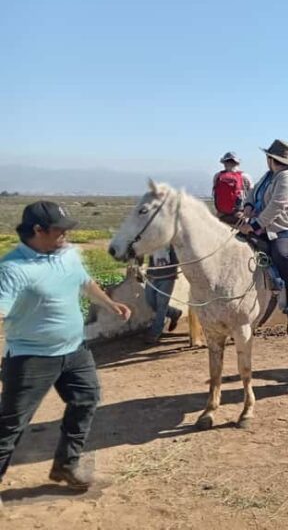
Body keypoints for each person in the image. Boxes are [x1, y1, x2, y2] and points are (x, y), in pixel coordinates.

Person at [0, 201, 131, 494]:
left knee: (86, 399)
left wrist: (110, 303)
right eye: (60, 231)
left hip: (74, 350)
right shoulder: (12, 268)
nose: (66, 236)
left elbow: (84, 282)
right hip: (30, 358)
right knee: (10, 425)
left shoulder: (68, 254)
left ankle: (66, 464)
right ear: (38, 230)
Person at [239, 140, 288, 317]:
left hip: (284, 229)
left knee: (281, 252)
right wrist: (248, 204)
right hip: (262, 226)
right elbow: (253, 191)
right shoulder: (269, 175)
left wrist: (253, 225)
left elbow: (277, 206)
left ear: (271, 158)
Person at [143, 246, 182, 345]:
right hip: (152, 275)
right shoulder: (152, 240)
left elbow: (178, 257)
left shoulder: (171, 242)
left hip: (167, 277)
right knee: (151, 302)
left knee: (161, 305)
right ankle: (174, 313)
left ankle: (155, 332)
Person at [212, 152, 253, 225]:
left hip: (221, 214)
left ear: (224, 163)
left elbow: (214, 194)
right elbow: (252, 195)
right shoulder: (245, 177)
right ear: (237, 163)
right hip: (239, 214)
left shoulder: (217, 176)